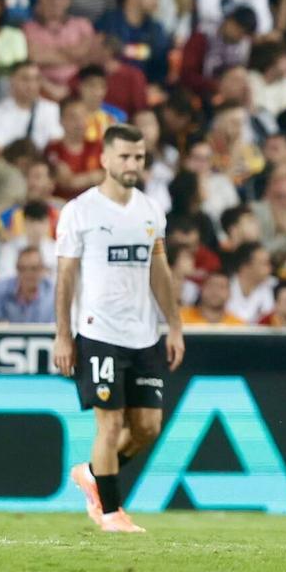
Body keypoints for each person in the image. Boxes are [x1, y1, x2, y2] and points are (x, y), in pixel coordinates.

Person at [53, 124, 184, 533]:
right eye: (125, 156)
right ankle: (111, 513)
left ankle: (93, 475)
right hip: (98, 333)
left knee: (147, 427)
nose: (132, 164)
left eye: (139, 157)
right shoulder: (81, 211)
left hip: (143, 334)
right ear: (105, 159)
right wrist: (62, 333)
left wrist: (175, 327)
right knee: (109, 424)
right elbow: (66, 277)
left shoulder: (150, 210)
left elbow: (158, 271)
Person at [0, 61, 63, 151]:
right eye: (25, 79)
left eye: (36, 79)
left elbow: (56, 141)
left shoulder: (51, 109)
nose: (31, 85)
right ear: (12, 81)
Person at [0, 246, 54, 323]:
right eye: (23, 268)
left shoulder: (53, 295)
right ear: (16, 269)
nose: (28, 274)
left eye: (34, 268)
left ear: (42, 269)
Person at [179, 271, 244, 325]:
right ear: (201, 289)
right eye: (211, 285)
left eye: (221, 287)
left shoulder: (238, 325)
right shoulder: (181, 319)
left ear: (230, 293)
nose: (215, 291)